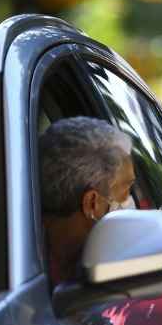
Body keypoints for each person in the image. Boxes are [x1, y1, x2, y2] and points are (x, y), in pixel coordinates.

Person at [39, 116, 136, 285]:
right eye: (126, 189)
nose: (130, 200)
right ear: (93, 203)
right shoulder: (117, 267)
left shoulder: (8, 257)